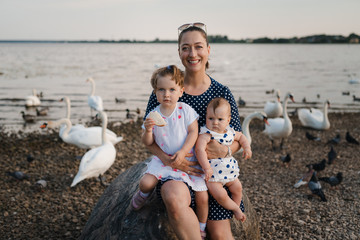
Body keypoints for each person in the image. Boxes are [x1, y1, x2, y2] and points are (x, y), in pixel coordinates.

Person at [144, 22, 244, 239]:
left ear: (208, 50)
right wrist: (169, 160)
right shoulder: (165, 90)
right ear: (179, 52)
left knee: (219, 235)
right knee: (172, 196)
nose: (192, 53)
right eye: (185, 47)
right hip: (178, 173)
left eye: (198, 46)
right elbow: (149, 134)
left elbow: (237, 136)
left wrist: (224, 152)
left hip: (214, 176)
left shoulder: (222, 92)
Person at [132, 65, 209, 238]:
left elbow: (193, 132)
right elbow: (147, 142)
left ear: (181, 91)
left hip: (186, 157)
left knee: (202, 196)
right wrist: (148, 130)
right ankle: (141, 196)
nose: (167, 94)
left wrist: (182, 151)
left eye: (172, 89)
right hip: (163, 160)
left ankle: (201, 227)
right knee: (145, 183)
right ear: (155, 92)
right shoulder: (153, 114)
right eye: (161, 90)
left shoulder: (185, 110)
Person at [196, 97, 252, 223]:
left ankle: (235, 208)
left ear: (228, 120)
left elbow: (242, 137)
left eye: (220, 119)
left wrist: (247, 148)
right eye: (211, 118)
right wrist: (206, 168)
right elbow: (199, 150)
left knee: (238, 188)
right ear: (206, 118)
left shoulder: (231, 132)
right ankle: (235, 209)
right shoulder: (206, 134)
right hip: (213, 175)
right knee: (220, 195)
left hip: (230, 173)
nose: (215, 123)